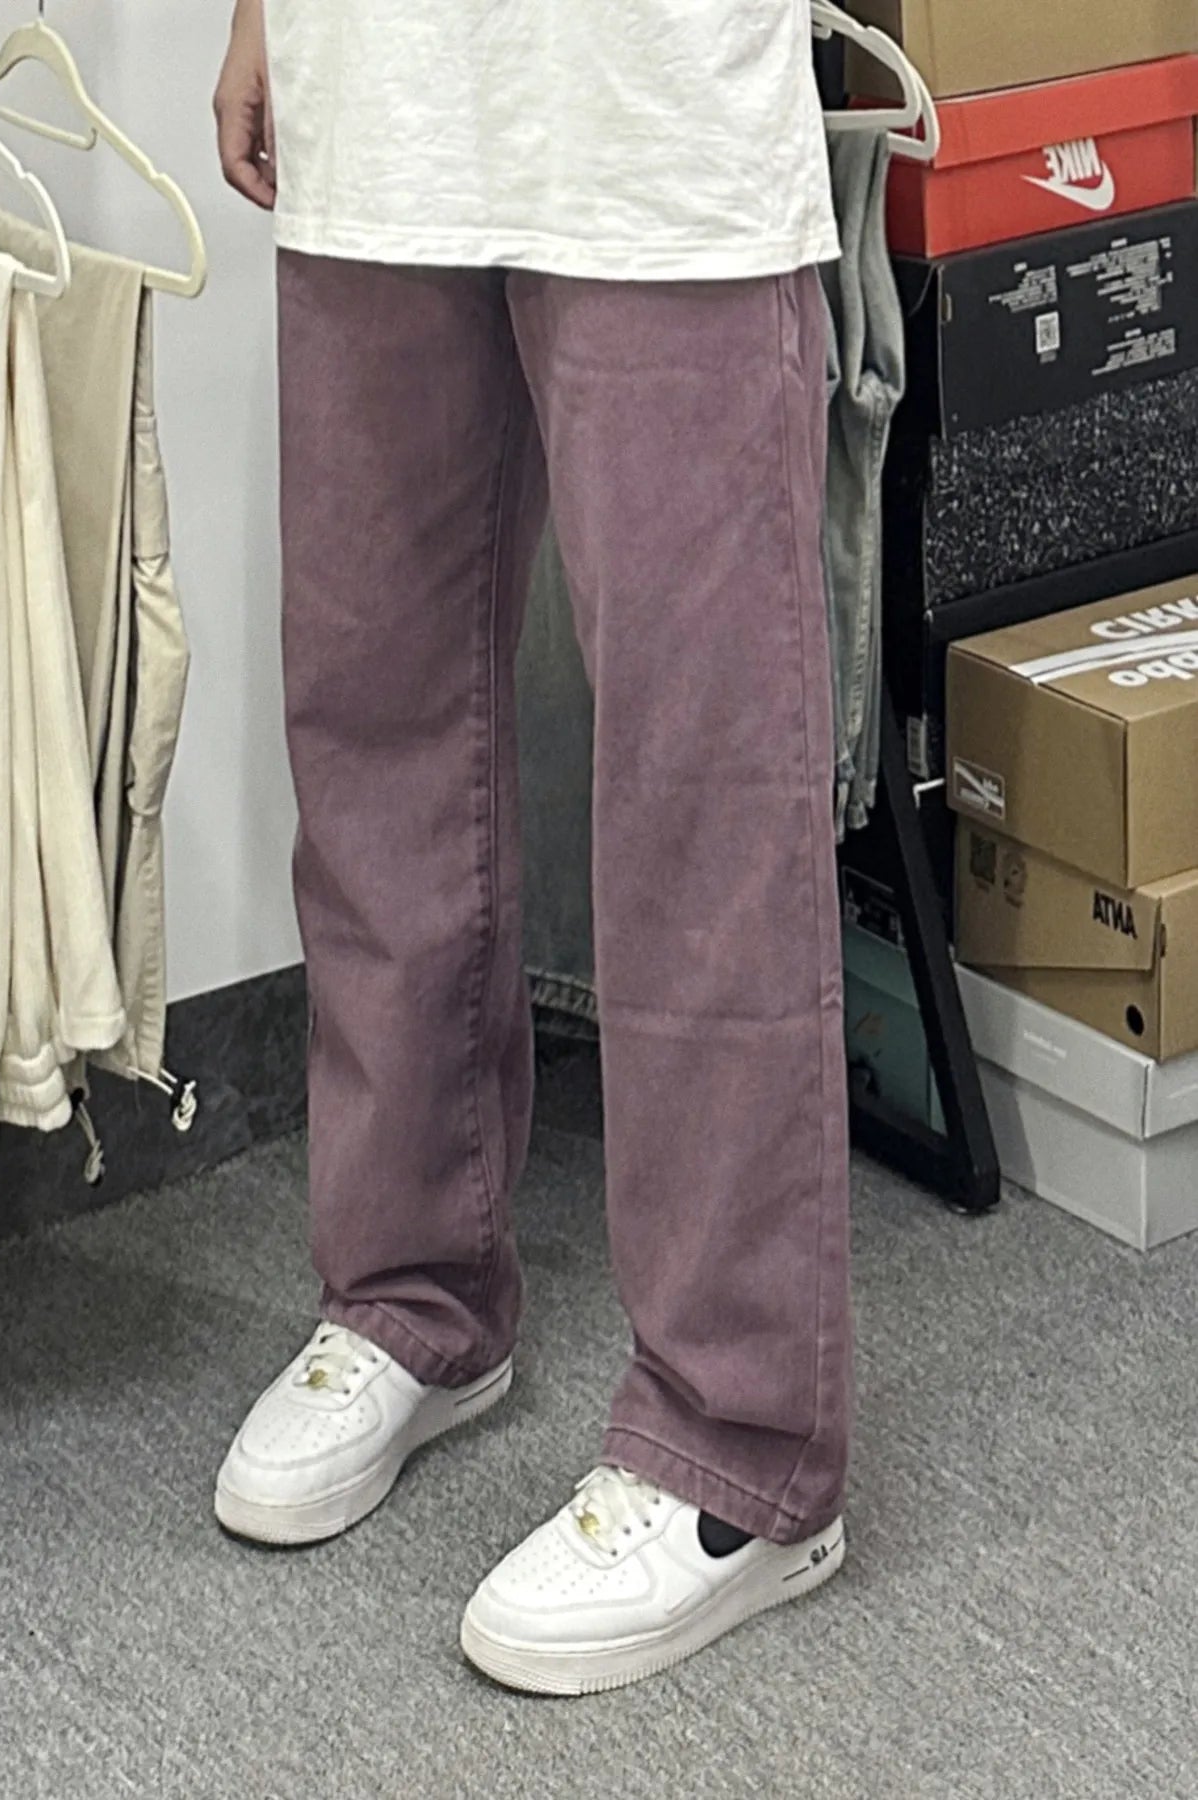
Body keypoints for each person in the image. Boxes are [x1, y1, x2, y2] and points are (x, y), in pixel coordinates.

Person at [211, 0, 852, 1697]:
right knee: (373, 723)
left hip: (654, 116)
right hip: (375, 90)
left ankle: (742, 1442)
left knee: (701, 785)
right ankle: (407, 1299)